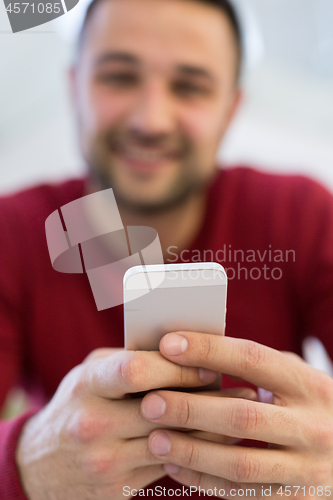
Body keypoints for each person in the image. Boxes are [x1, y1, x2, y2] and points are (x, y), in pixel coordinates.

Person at [1, 0, 333, 498]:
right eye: (119, 77)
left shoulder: (302, 215)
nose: (151, 120)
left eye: (190, 86)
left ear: (231, 108)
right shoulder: (13, 232)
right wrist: (25, 460)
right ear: (75, 87)